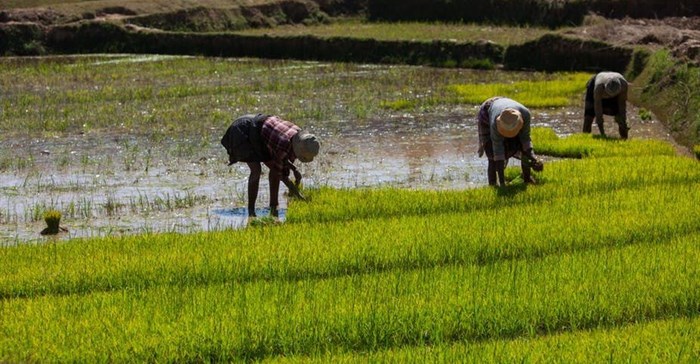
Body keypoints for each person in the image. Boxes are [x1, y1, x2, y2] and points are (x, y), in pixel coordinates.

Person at [221, 114, 320, 217]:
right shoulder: (284, 144)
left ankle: (273, 206)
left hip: (259, 134)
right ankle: (251, 211)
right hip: (243, 130)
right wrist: (298, 194)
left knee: (273, 169)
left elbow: (280, 159)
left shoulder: (297, 136)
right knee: (256, 171)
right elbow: (280, 173)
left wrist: (294, 169)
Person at [477, 96, 544, 187]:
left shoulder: (525, 114)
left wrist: (534, 159)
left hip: (504, 106)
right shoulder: (495, 123)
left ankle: (527, 179)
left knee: (522, 147)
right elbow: (497, 150)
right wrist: (502, 184)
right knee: (492, 154)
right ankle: (492, 184)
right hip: (488, 109)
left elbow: (525, 140)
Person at [583, 71, 629, 139]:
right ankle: (585, 137)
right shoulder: (598, 88)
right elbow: (598, 109)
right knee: (589, 115)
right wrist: (603, 134)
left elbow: (622, 105)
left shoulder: (624, 85)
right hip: (596, 86)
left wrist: (623, 122)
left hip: (615, 89)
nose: (609, 96)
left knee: (620, 117)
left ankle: (624, 138)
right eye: (608, 95)